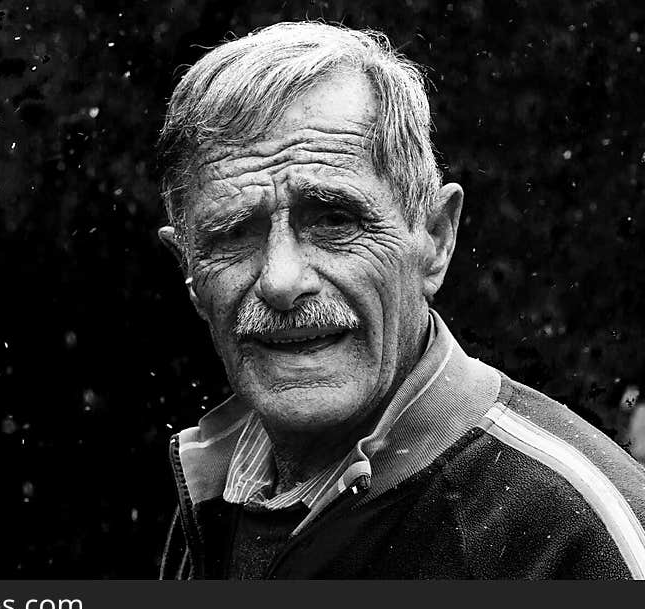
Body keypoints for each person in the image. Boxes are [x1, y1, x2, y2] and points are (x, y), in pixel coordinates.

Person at [155, 21, 645, 579]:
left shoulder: (576, 537)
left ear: (435, 240)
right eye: (235, 233)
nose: (282, 281)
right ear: (189, 271)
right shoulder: (215, 493)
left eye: (334, 220)